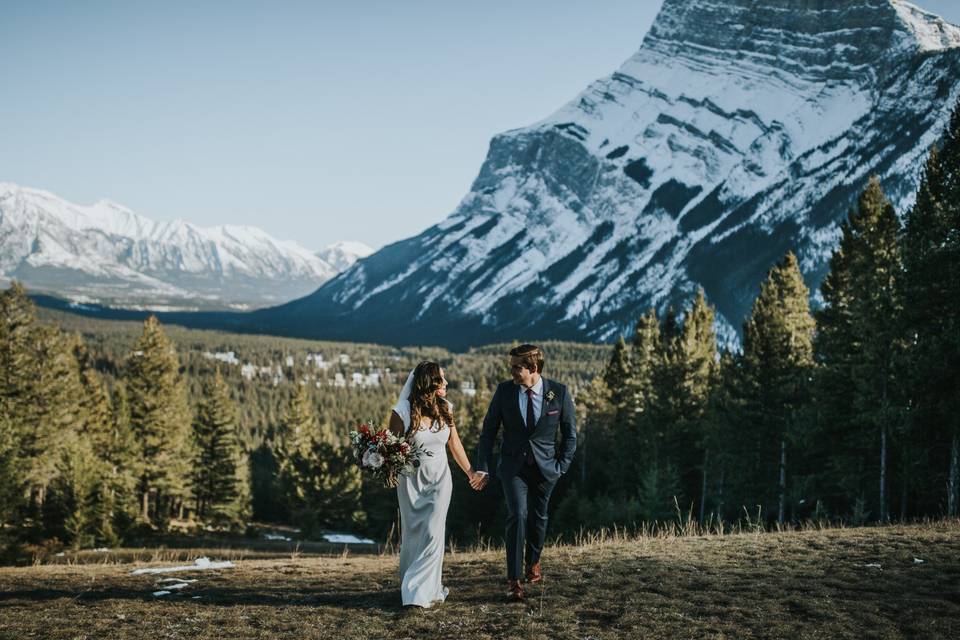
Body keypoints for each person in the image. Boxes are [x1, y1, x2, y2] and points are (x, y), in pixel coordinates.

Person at [474, 344, 578, 601]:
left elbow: (570, 434)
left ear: (532, 368)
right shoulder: (504, 392)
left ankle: (534, 562)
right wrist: (483, 467)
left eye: (516, 367)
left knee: (539, 518)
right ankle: (514, 580)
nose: (511, 372)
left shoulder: (559, 392)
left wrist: (561, 466)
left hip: (547, 469)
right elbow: (488, 432)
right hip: (513, 468)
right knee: (517, 515)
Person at [388, 361, 485, 608]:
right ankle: (424, 588)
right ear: (429, 383)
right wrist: (384, 465)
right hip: (411, 482)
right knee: (413, 534)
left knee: (433, 533)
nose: (447, 383)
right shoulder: (402, 412)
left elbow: (454, 444)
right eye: (442, 379)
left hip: (440, 480)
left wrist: (470, 472)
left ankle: (416, 595)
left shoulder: (446, 408)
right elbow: (390, 449)